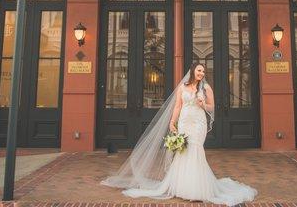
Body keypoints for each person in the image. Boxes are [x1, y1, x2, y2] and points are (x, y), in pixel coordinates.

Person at [100, 62, 258, 206]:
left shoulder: (206, 88)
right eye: (199, 70)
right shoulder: (182, 87)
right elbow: (177, 106)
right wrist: (172, 122)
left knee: (195, 150)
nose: (202, 73)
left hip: (198, 123)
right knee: (183, 151)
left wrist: (203, 105)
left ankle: (197, 189)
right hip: (184, 122)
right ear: (192, 71)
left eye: (203, 71)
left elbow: (212, 108)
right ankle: (181, 187)